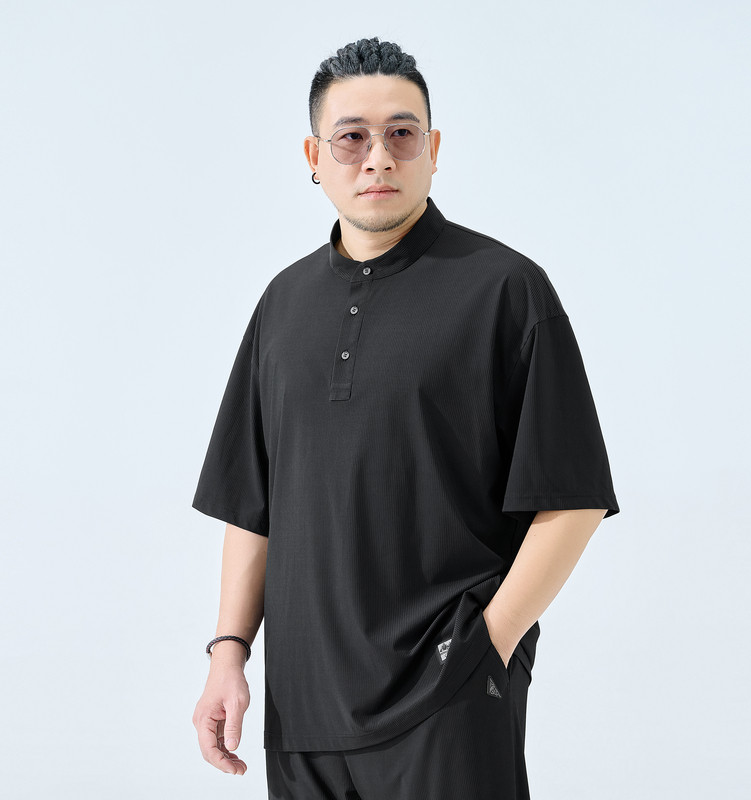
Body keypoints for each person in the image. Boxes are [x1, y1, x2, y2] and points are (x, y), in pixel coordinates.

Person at [191, 36, 620, 800]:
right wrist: (229, 655)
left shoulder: (505, 290)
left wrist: (488, 645)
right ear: (314, 155)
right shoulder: (282, 306)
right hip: (303, 713)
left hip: (447, 698)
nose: (378, 158)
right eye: (352, 138)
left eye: (401, 134)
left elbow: (573, 497)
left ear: (434, 148)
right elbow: (252, 505)